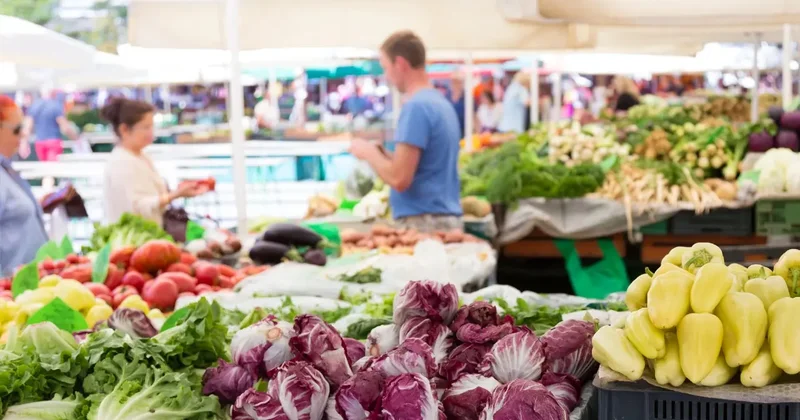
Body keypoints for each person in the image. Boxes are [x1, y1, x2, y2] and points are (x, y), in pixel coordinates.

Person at [348, 30, 463, 232]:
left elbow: (400, 179)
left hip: (424, 223)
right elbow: (427, 165)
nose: (386, 76)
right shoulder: (440, 103)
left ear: (400, 64)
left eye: (386, 67)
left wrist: (368, 153)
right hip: (442, 220)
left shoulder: (416, 107)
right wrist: (385, 155)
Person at [101, 98, 207, 226]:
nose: (151, 132)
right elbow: (138, 206)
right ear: (124, 129)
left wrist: (178, 192)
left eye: (152, 126)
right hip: (135, 234)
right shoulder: (121, 162)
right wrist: (175, 195)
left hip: (150, 231)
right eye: (146, 127)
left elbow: (151, 197)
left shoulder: (141, 156)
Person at [0, 95, 48, 275]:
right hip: (11, 286)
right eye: (17, 129)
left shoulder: (5, 169)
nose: (23, 134)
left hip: (26, 284)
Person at [24, 90, 77, 161]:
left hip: (39, 142)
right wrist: (76, 138)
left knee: (44, 166)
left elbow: (27, 127)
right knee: (52, 166)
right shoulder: (56, 105)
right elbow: (65, 128)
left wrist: (24, 143)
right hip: (53, 142)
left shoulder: (34, 106)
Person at [448, 73, 466, 138]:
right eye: (453, 82)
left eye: (457, 82)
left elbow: (474, 115)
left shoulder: (466, 97)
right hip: (450, 130)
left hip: (463, 130)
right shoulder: (447, 95)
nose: (455, 84)